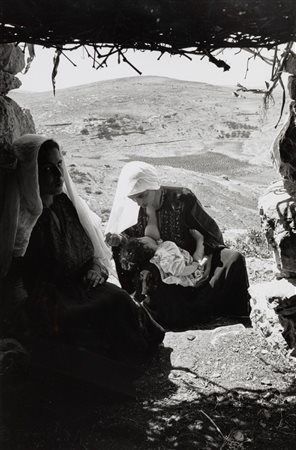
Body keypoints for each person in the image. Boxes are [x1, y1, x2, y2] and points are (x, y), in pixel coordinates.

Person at [0, 136, 164, 362]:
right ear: (31, 173)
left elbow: (86, 251)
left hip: (79, 285)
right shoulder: (22, 222)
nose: (58, 175)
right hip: (50, 301)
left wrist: (95, 268)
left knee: (119, 299)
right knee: (102, 311)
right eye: (48, 169)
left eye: (59, 165)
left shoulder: (64, 205)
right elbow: (14, 278)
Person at [105, 161, 251, 330]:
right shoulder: (136, 208)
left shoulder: (181, 198)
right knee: (153, 277)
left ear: (153, 186)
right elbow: (131, 241)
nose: (138, 202)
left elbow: (210, 233)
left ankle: (234, 316)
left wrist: (200, 260)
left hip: (195, 257)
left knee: (233, 259)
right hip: (163, 268)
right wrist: (119, 240)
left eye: (142, 196)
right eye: (134, 198)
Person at [119, 232, 207, 288]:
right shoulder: (165, 257)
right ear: (145, 244)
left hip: (184, 262)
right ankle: (200, 239)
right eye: (142, 238)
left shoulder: (159, 252)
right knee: (199, 257)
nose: (144, 236)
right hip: (192, 274)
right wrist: (194, 266)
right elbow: (180, 271)